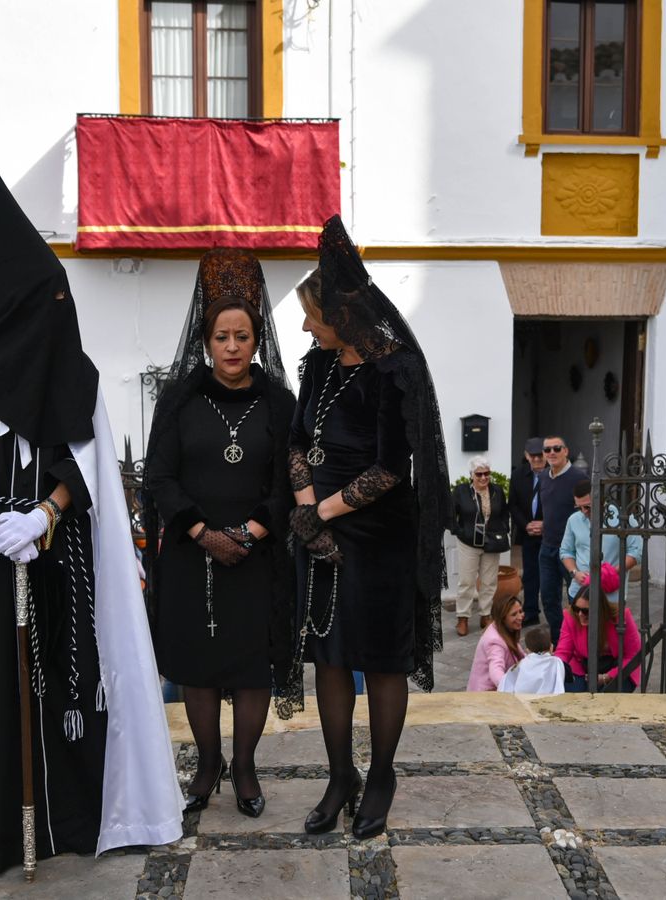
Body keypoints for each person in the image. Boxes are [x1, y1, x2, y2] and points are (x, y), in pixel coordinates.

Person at [0, 44, 181, 873]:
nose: (65, 315)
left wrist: (49, 512)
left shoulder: (76, 380)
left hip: (65, 584)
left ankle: (76, 826)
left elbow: (91, 464)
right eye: (51, 301)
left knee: (71, 696)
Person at [287, 215, 448, 840]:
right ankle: (339, 775)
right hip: (319, 530)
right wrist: (307, 511)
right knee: (328, 657)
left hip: (379, 537)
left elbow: (389, 469)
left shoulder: (393, 370)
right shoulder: (320, 365)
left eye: (311, 315)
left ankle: (380, 775)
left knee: (381, 661)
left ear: (339, 313)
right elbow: (299, 440)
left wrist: (320, 512)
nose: (305, 326)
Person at [144, 248, 298, 818]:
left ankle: (246, 769)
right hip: (192, 552)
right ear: (206, 341)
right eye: (221, 337)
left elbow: (290, 478)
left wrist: (253, 531)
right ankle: (207, 764)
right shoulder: (179, 399)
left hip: (258, 557)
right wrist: (203, 531)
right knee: (201, 668)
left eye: (242, 336)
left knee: (252, 665)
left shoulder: (280, 403)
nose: (232, 347)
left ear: (257, 339)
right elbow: (159, 476)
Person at [535, 434, 587, 647]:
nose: (552, 453)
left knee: (577, 597)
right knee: (548, 597)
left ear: (566, 451)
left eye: (557, 448)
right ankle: (560, 640)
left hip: (572, 550)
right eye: (547, 450)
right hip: (547, 547)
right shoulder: (544, 477)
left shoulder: (578, 478)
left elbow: (587, 512)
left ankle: (580, 639)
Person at [449, 456, 509, 637]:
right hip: (468, 542)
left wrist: (503, 528)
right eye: (479, 474)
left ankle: (485, 614)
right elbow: (450, 514)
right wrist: (459, 531)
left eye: (486, 473)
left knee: (489, 581)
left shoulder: (497, 490)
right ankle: (463, 617)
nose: (483, 478)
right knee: (466, 581)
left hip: (491, 541)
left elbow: (504, 513)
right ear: (471, 475)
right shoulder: (461, 491)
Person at [558, 480, 643, 605]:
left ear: (601, 500)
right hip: (579, 593)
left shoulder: (623, 517)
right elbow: (566, 551)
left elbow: (636, 552)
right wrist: (575, 572)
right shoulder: (574, 520)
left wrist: (611, 573)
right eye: (579, 507)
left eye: (587, 506)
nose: (583, 511)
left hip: (611, 595)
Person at [556, 589, 642, 693]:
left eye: (585, 611)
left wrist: (607, 677)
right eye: (576, 608)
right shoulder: (571, 617)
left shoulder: (621, 617)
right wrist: (555, 667)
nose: (579, 614)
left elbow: (633, 655)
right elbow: (563, 651)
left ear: (600, 609)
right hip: (582, 666)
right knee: (574, 697)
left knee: (607, 699)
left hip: (618, 667)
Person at [509, 438, 546, 632]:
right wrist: (526, 525)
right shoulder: (517, 476)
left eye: (541, 455)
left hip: (550, 534)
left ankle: (554, 612)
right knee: (531, 574)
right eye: (534, 456)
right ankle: (531, 612)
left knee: (551, 574)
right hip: (528, 533)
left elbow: (563, 505)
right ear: (526, 456)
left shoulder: (554, 474)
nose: (538, 459)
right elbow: (513, 505)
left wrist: (545, 525)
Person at [466, 593, 525, 691]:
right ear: (503, 618)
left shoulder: (502, 628)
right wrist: (510, 689)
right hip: (486, 695)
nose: (520, 617)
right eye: (514, 614)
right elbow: (496, 671)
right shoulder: (495, 641)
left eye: (520, 611)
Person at [498, 624, 565, 695]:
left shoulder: (521, 664)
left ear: (527, 651)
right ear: (551, 647)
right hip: (547, 702)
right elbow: (559, 685)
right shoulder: (556, 662)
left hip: (523, 702)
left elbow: (506, 683)